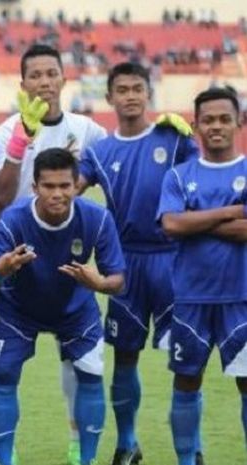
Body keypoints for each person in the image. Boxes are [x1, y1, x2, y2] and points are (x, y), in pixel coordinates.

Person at [78, 62, 200, 465]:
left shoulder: (173, 136)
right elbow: (66, 190)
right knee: (125, 354)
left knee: (187, 358)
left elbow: (201, 178)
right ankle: (127, 444)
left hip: (172, 259)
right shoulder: (98, 152)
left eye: (137, 88)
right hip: (124, 262)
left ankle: (191, 449)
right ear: (109, 97)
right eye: (122, 89)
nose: (130, 95)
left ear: (148, 94)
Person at [0, 44, 107, 464]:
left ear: (63, 78)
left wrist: (158, 133)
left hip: (69, 255)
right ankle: (5, 454)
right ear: (22, 83)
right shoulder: (4, 132)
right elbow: (0, 197)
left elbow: (113, 163)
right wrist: (22, 140)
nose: (44, 81)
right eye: (35, 75)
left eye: (50, 73)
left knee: (79, 365)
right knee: (5, 371)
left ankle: (79, 445)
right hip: (20, 258)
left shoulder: (88, 130)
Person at [0, 148, 126, 465]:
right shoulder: (13, 220)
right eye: (49, 186)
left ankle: (84, 458)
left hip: (76, 310)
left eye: (65, 185)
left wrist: (99, 284)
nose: (58, 194)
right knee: (3, 377)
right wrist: (1, 269)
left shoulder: (97, 218)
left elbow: (117, 279)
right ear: (35, 188)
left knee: (90, 376)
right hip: (18, 310)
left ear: (77, 186)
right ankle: (6, 460)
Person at [157, 87, 247, 465]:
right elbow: (172, 223)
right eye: (208, 119)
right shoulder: (179, 175)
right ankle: (187, 460)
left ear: (239, 122)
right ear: (195, 126)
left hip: (242, 298)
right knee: (186, 381)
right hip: (191, 299)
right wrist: (230, 212)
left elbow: (186, 223)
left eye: (224, 119)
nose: (216, 126)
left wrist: (195, 221)